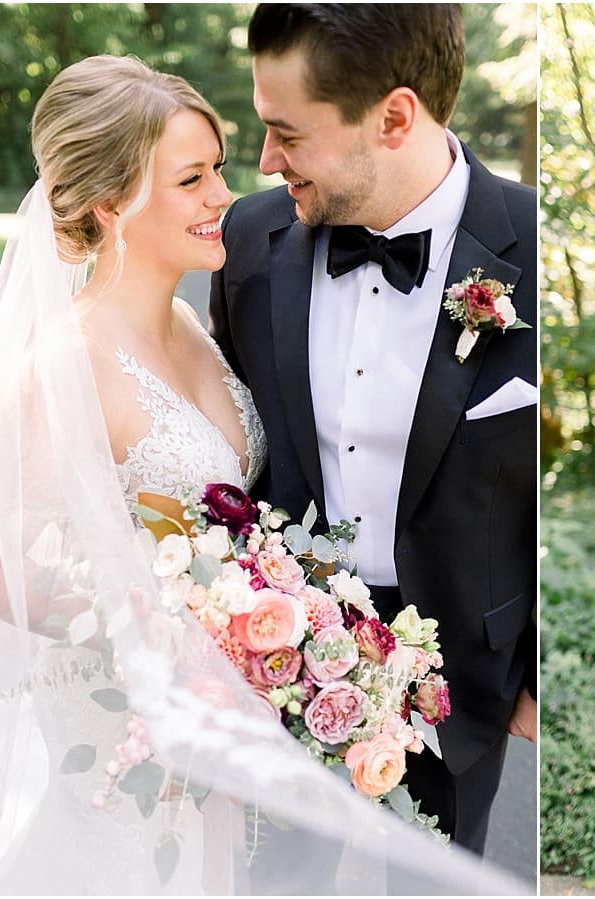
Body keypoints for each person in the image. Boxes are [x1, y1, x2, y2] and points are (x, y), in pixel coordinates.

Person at [0, 53, 519, 895]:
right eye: (192, 178)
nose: (224, 194)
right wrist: (150, 626)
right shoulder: (60, 362)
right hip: (130, 729)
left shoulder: (188, 320)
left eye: (216, 167)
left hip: (221, 717)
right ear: (111, 203)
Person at [211, 3, 538, 855]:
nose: (264, 161)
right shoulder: (251, 235)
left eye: (287, 133)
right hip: (274, 655)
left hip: (460, 673)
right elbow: (231, 448)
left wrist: (534, 669)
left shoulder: (537, 248)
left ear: (395, 117)